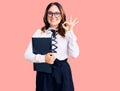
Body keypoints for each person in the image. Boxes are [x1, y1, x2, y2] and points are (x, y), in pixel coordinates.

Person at [24, 2, 79, 91]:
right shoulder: (39, 32)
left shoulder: (67, 33)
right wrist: (43, 58)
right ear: (46, 15)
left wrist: (70, 32)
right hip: (44, 73)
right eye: (50, 13)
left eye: (57, 13)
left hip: (63, 73)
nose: (53, 16)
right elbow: (27, 55)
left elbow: (75, 55)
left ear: (61, 15)